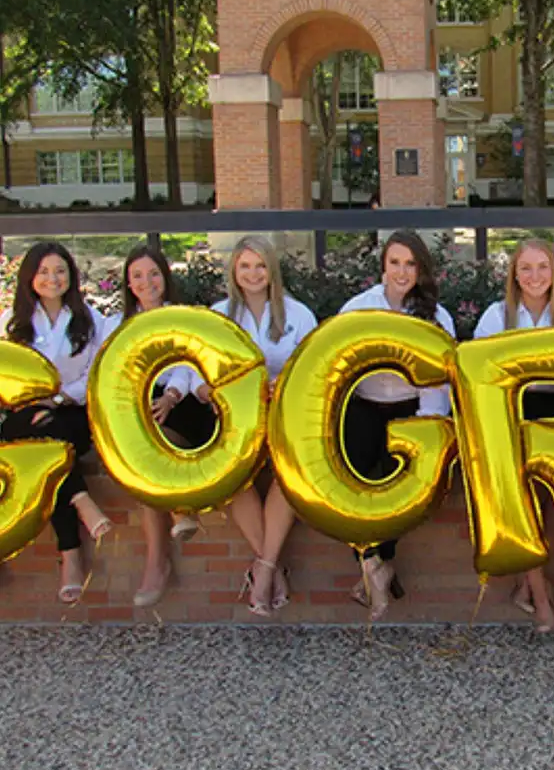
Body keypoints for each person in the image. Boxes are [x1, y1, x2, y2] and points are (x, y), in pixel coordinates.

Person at [192, 236, 317, 616]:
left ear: (272, 271)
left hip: (282, 419)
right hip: (236, 424)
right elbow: (194, 374)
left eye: (260, 266)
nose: (253, 274)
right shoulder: (216, 317)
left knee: (289, 476)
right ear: (234, 271)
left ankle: (262, 571)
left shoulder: (298, 315)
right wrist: (206, 390)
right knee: (234, 478)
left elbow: (313, 371)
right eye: (245, 266)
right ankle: (270, 569)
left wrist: (287, 385)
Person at [340, 230, 455, 621]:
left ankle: (374, 566)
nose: (402, 272)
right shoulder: (358, 308)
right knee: (351, 491)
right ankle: (378, 567)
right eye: (394, 263)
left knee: (395, 490)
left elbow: (439, 382)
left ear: (420, 269)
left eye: (410, 263)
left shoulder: (436, 316)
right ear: (383, 267)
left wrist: (424, 430)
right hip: (362, 409)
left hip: (411, 411)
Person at [473, 238, 554, 634]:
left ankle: (526, 583)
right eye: (526, 268)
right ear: (514, 275)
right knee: (525, 512)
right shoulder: (496, 316)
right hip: (511, 416)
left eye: (542, 267)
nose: (534, 276)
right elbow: (479, 374)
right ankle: (541, 602)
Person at [102, 245, 216, 607]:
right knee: (140, 451)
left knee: (152, 448)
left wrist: (170, 396)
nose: (146, 282)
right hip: (134, 404)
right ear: (128, 282)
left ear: (165, 278)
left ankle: (163, 550)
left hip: (179, 401)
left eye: (153, 274)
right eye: (137, 276)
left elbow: (189, 363)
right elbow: (109, 375)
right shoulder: (116, 324)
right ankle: (170, 532)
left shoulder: (180, 317)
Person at [0, 242, 109, 602]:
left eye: (60, 271)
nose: (52, 278)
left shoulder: (90, 320)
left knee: (52, 447)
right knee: (42, 435)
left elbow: (96, 374)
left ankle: (71, 558)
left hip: (72, 412)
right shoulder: (11, 325)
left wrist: (59, 398)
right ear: (30, 277)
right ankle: (81, 501)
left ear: (71, 277)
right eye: (44, 272)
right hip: (24, 417)